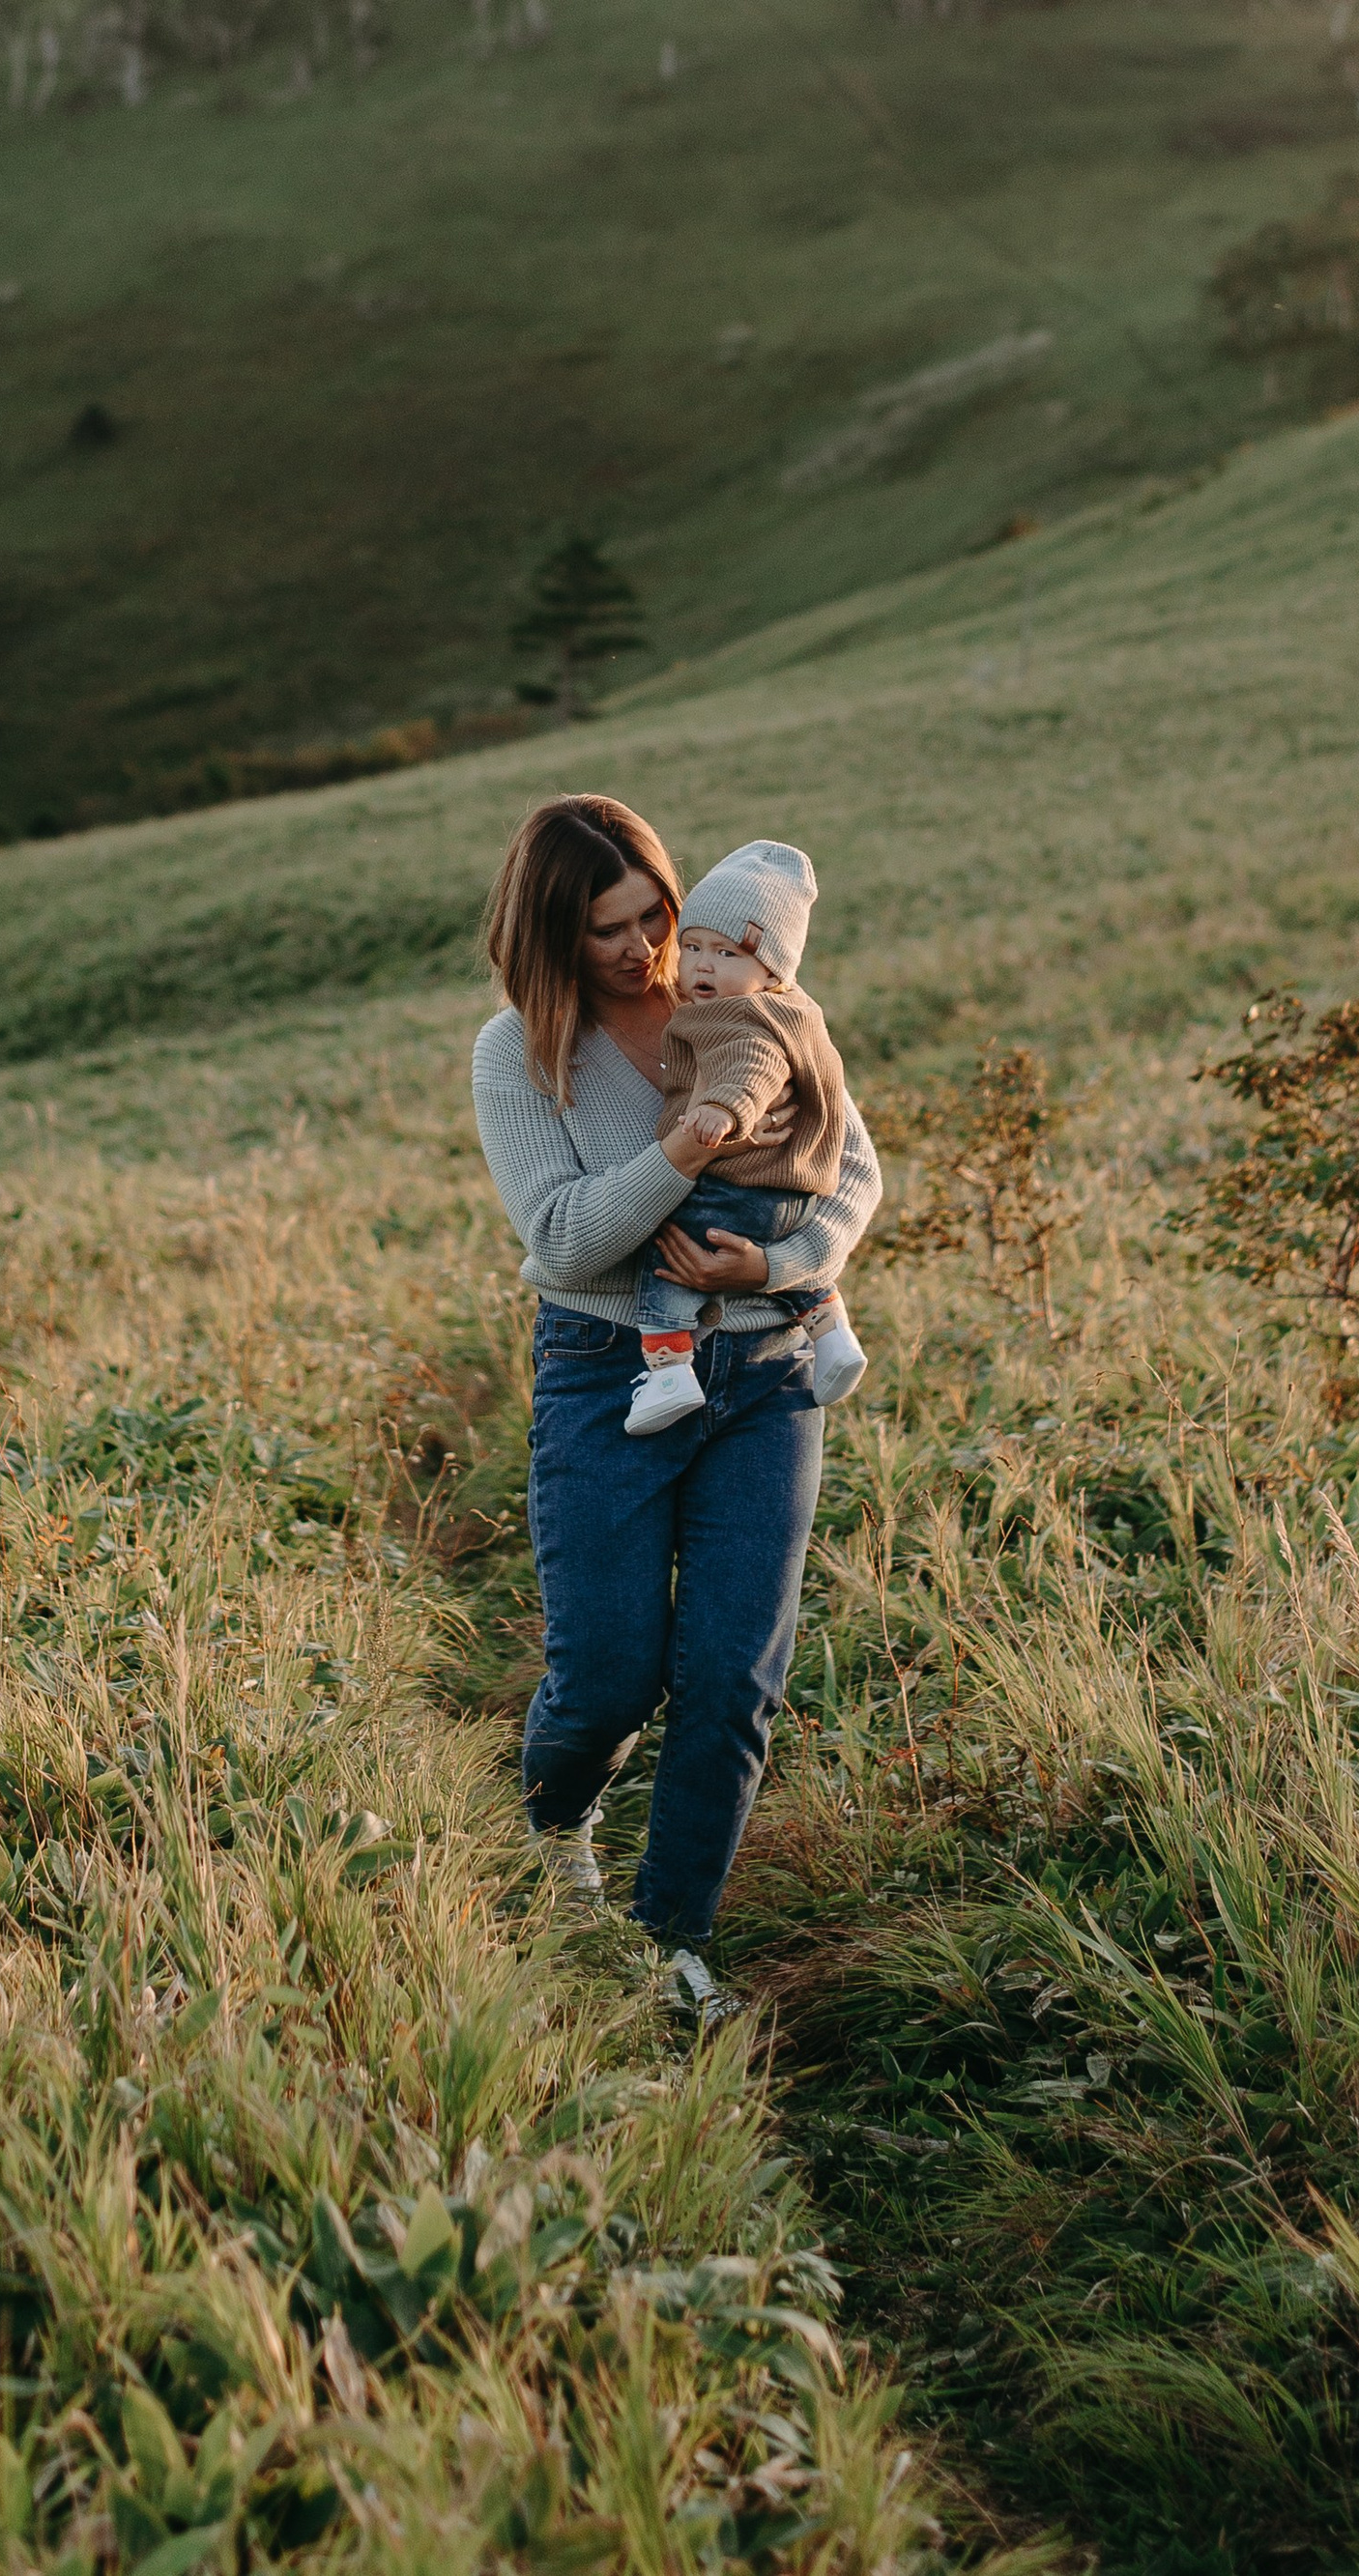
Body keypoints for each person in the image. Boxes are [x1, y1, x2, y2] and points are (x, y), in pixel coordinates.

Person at [471, 793, 882, 1999]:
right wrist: (689, 1150)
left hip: (765, 1370)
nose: (646, 945)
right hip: (608, 1372)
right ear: (550, 931)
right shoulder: (521, 1054)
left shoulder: (748, 995)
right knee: (607, 1674)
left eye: (657, 911)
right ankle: (554, 1821)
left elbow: (852, 1173)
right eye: (608, 928)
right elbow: (562, 1241)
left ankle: (670, 1946)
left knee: (732, 1677)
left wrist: (778, 1265)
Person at [624, 838, 864, 1436]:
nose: (703, 966)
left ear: (771, 969)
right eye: (694, 947)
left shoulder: (743, 1018)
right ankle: (832, 1338)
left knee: (669, 1260)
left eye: (728, 953)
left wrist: (723, 1112)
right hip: (795, 1197)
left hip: (736, 1187)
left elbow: (750, 1067)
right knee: (804, 1280)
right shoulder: (796, 1013)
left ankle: (669, 1371)